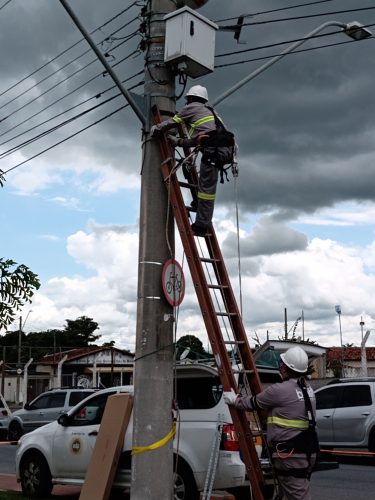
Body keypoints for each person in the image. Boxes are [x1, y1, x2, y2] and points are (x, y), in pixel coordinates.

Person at [223, 346, 319, 500]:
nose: (280, 367)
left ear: (286, 369)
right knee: (291, 492)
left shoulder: (280, 390)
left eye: (282, 364)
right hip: (307, 451)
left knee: (298, 496)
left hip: (290, 455)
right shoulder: (308, 389)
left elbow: (252, 403)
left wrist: (234, 400)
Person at [150, 85, 232, 237]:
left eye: (187, 100)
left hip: (214, 151)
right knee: (205, 181)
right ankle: (200, 205)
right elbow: (197, 141)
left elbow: (173, 122)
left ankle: (201, 226)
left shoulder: (191, 108)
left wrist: (157, 128)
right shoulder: (211, 112)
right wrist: (178, 142)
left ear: (192, 99)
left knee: (207, 192)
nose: (186, 103)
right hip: (224, 151)